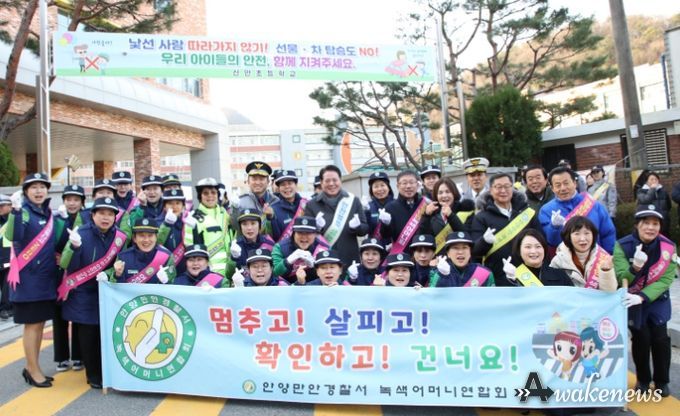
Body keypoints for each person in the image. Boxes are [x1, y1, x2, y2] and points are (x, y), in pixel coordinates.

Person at [59, 197, 127, 389]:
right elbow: (66, 265)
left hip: (107, 291)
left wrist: (112, 273)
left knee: (105, 333)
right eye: (101, 213)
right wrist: (73, 248)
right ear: (93, 215)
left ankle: (106, 371)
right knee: (88, 334)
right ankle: (93, 374)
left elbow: (121, 263)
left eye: (110, 214)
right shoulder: (81, 233)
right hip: (83, 292)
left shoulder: (120, 237)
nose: (106, 218)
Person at [613, 205, 674, 397]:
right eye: (646, 223)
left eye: (655, 224)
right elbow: (621, 276)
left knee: (660, 339)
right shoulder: (622, 245)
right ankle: (643, 380)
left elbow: (666, 279)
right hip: (632, 300)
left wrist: (643, 296)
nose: (650, 227)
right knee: (641, 339)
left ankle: (662, 381)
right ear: (637, 225)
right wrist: (635, 268)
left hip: (656, 300)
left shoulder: (668, 247)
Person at [5, 173, 58, 388]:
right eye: (33, 187)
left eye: (42, 187)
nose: (38, 191)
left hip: (45, 279)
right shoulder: (24, 211)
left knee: (40, 323)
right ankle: (32, 369)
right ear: (26, 191)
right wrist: (16, 212)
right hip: (28, 280)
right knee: (32, 325)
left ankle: (33, 367)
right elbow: (14, 235)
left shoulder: (47, 212)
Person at [470, 173, 543, 286]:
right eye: (498, 187)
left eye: (507, 186)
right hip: (498, 276)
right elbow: (474, 251)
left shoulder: (526, 213)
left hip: (529, 274)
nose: (503, 190)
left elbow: (541, 241)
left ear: (512, 188)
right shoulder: (481, 217)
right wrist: (484, 241)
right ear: (491, 190)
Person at [539, 166, 616, 254]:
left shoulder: (594, 205)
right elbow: (551, 242)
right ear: (552, 188)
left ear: (575, 183)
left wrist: (609, 254)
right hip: (566, 260)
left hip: (596, 258)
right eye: (558, 185)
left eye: (566, 183)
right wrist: (554, 228)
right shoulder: (546, 211)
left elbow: (608, 233)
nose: (563, 188)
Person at [305, 165, 368, 265]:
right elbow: (306, 235)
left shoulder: (353, 201)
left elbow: (364, 230)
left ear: (340, 180)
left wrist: (357, 227)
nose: (331, 184)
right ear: (321, 182)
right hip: (324, 259)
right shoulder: (311, 204)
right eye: (327, 181)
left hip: (349, 258)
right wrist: (318, 228)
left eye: (335, 180)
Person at [53, 185, 86, 373]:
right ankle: (62, 357)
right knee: (59, 316)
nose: (72, 203)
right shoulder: (57, 219)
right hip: (60, 272)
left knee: (79, 313)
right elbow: (52, 244)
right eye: (68, 199)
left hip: (80, 272)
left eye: (76, 200)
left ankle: (79, 355)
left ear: (82, 202)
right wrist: (63, 222)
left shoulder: (87, 218)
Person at [185, 177, 236, 283]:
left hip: (231, 271)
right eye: (205, 193)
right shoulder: (194, 217)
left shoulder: (224, 213)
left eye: (213, 192)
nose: (210, 196)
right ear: (200, 196)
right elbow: (189, 247)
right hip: (210, 274)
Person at [549, 216, 617, 291]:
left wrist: (606, 271)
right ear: (568, 236)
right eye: (577, 234)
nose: (582, 238)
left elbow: (610, 292)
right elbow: (554, 292)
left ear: (593, 235)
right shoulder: (558, 261)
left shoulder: (603, 258)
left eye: (587, 233)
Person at [110, 218, 176, 284]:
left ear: (156, 238)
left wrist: (166, 282)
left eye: (150, 236)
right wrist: (117, 275)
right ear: (134, 238)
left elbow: (173, 287)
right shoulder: (123, 257)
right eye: (141, 236)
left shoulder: (166, 257)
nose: (146, 240)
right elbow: (116, 287)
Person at [379, 170, 428, 256]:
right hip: (401, 255)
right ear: (398, 186)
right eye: (404, 183)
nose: (408, 186)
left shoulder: (426, 204)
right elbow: (385, 235)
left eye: (411, 182)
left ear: (417, 184)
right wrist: (386, 224)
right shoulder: (390, 207)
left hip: (424, 254)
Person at [503, 229, 573, 287]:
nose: (533, 251)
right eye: (528, 247)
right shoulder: (512, 276)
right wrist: (512, 280)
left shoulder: (560, 275)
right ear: (519, 250)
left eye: (538, 246)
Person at [272, 216, 329, 284]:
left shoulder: (323, 248)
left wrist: (315, 266)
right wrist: (287, 261)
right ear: (293, 233)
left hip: (315, 287)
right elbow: (274, 274)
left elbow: (330, 274)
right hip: (286, 287)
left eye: (308, 233)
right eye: (300, 232)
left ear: (315, 234)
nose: (304, 237)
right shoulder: (280, 247)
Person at [419, 177, 471, 253]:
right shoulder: (432, 213)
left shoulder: (465, 210)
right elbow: (423, 238)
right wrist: (426, 216)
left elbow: (467, 236)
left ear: (454, 193)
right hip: (437, 258)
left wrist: (451, 216)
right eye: (440, 193)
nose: (444, 195)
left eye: (448, 192)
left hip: (460, 256)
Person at [429, 231, 494, 287]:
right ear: (448, 253)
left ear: (470, 252)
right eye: (455, 248)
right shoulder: (437, 272)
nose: (460, 252)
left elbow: (492, 296)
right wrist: (443, 276)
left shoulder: (484, 273)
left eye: (464, 248)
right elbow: (434, 294)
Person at [157, 189, 197, 276]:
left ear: (183, 206)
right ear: (164, 206)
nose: (174, 206)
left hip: (186, 271)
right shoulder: (157, 222)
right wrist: (167, 224)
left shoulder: (188, 222)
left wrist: (195, 229)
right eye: (170, 203)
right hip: (164, 269)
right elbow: (156, 244)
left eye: (178, 203)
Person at [235, 161, 280, 235]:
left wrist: (272, 216)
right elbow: (236, 228)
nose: (258, 182)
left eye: (261, 179)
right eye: (254, 179)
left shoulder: (276, 201)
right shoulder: (240, 203)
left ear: (268, 182)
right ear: (248, 181)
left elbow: (281, 227)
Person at [270, 170, 308, 242]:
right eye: (283, 184)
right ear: (279, 188)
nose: (287, 187)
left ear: (296, 185)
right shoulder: (273, 209)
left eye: (290, 183)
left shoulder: (306, 205)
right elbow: (275, 237)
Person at [362, 171, 394, 245]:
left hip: (395, 247)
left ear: (388, 187)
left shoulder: (396, 204)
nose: (380, 189)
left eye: (382, 185)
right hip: (375, 247)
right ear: (371, 190)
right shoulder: (368, 207)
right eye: (376, 187)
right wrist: (366, 212)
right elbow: (366, 230)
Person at [637, 172, 672, 237]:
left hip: (663, 219)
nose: (654, 181)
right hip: (649, 220)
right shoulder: (641, 191)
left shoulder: (663, 191)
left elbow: (669, 205)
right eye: (651, 179)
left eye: (656, 179)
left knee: (664, 237)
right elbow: (645, 200)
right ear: (646, 181)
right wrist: (652, 189)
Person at [0, 194, 12, 320]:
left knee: (6, 285)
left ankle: (5, 308)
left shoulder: (12, 220)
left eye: (2, 205)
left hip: (8, 258)